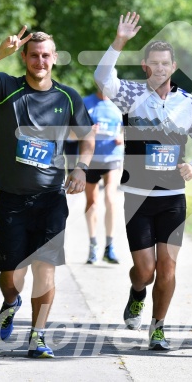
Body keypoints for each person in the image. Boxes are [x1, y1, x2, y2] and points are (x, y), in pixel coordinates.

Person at [0, 26, 95, 358]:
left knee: (45, 268)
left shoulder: (68, 97)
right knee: (11, 276)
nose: (40, 60)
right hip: (12, 198)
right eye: (34, 55)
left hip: (51, 197)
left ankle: (38, 336)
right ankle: (10, 301)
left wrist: (81, 168)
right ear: (24, 57)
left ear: (54, 58)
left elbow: (88, 136)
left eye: (46, 55)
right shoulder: (6, 87)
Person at [94, 12, 192, 350]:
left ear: (173, 66)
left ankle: (158, 328)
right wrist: (119, 42)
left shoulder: (188, 103)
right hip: (138, 197)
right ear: (145, 66)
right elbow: (103, 77)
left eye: (166, 63)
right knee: (145, 271)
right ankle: (137, 293)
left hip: (174, 197)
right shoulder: (132, 95)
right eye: (154, 63)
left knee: (168, 265)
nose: (160, 68)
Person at [64, 87, 124, 264]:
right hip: (90, 160)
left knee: (111, 199)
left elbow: (127, 127)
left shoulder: (119, 104)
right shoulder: (85, 103)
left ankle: (110, 246)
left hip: (112, 156)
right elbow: (71, 134)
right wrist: (88, 132)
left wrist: (122, 136)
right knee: (92, 202)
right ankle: (93, 245)